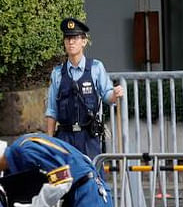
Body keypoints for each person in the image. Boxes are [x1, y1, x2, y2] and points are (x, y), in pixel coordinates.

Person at [45, 17, 124, 159]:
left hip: (88, 137)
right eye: (68, 38)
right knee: (66, 180)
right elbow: (52, 110)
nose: (71, 42)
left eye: (75, 38)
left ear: (84, 41)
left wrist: (115, 94)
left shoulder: (95, 68)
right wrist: (50, 142)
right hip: (64, 138)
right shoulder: (57, 73)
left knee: (93, 178)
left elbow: (107, 95)